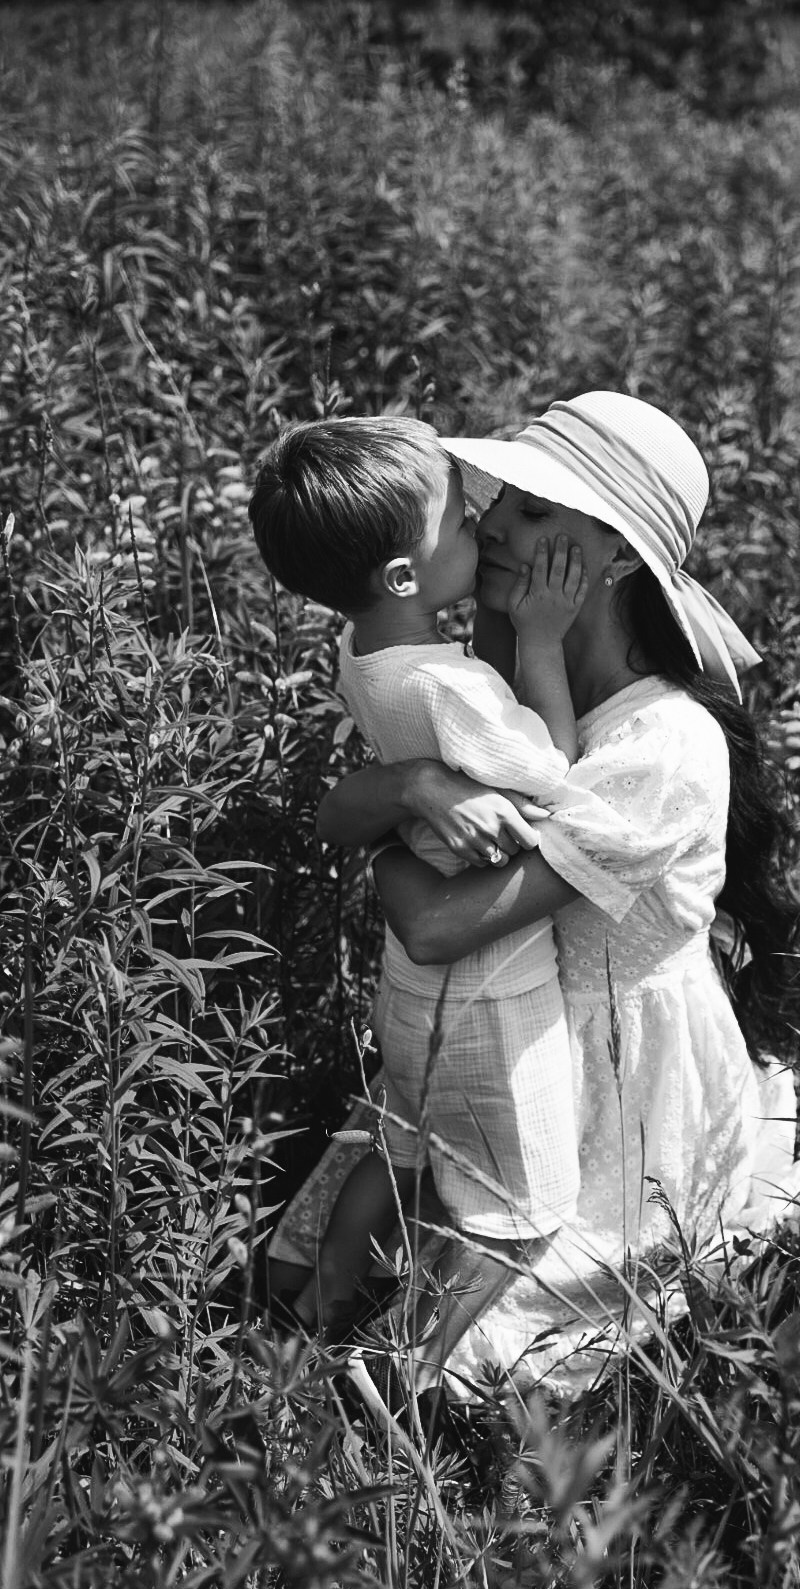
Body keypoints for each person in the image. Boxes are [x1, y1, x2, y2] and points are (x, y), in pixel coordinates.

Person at [290, 393, 800, 1393]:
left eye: (535, 514)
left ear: (614, 558)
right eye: (502, 502)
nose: (490, 523)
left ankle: (381, 1410)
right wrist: (412, 788)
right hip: (504, 1024)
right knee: (412, 1217)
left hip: (612, 1068)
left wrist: (397, 847)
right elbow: (341, 813)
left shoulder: (660, 745)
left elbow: (437, 924)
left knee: (490, 1330)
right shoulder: (481, 670)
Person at [248, 415, 593, 1334]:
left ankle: (321, 1294)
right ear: (404, 576)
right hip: (491, 986)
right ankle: (411, 1358)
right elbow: (553, 770)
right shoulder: (453, 688)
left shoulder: (364, 651)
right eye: (465, 523)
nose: (485, 526)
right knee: (519, 1203)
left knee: (400, 1139)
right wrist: (546, 641)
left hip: (408, 986)